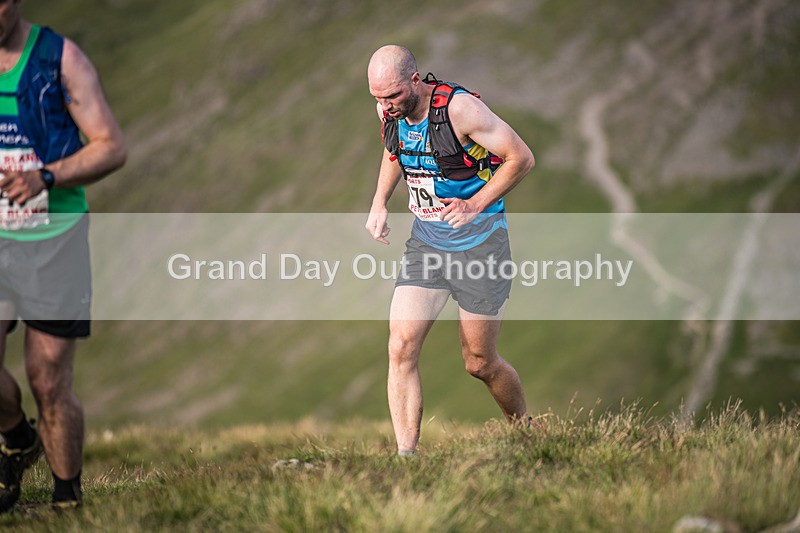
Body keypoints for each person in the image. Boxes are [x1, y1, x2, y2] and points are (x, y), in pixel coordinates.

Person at [365, 45, 535, 455]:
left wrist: (475, 204)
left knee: (480, 363)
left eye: (393, 96)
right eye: (378, 98)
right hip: (427, 245)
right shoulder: (388, 111)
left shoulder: (460, 110)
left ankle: (526, 431)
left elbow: (521, 158)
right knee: (400, 346)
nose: (386, 106)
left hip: (481, 248)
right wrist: (379, 201)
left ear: (415, 79)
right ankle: (407, 458)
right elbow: (394, 149)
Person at [0, 0, 126, 511]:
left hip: (54, 239)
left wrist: (45, 176)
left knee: (48, 379)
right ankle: (18, 437)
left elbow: (110, 146)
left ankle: (66, 501)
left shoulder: (59, 60)